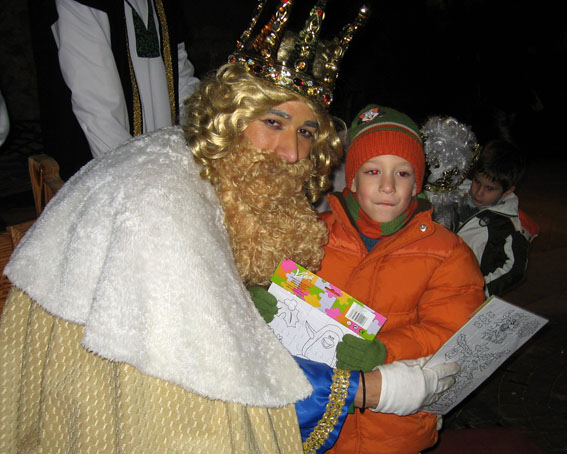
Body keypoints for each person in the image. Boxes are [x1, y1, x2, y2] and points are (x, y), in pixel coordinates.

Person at [0, 3, 460, 453]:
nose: (291, 153)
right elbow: (212, 368)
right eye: (273, 122)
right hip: (103, 390)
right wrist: (371, 390)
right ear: (231, 117)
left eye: (305, 132)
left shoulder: (208, 170)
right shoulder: (161, 199)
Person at [315, 105, 485, 453]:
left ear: (417, 182)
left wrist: (386, 349)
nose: (388, 186)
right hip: (316, 425)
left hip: (394, 431)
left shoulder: (447, 253)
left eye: (403, 173)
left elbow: (453, 331)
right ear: (352, 178)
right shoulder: (312, 235)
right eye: (373, 170)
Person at [30, 0, 200, 178]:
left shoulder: (165, 5)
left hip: (161, 163)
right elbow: (98, 109)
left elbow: (183, 80)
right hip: (107, 172)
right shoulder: (80, 5)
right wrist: (134, 179)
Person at [453, 139, 538, 296]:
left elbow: (514, 269)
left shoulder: (507, 224)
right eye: (477, 182)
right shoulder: (451, 195)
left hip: (465, 293)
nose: (479, 192)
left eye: (490, 189)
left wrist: (479, 290)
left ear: (507, 191)